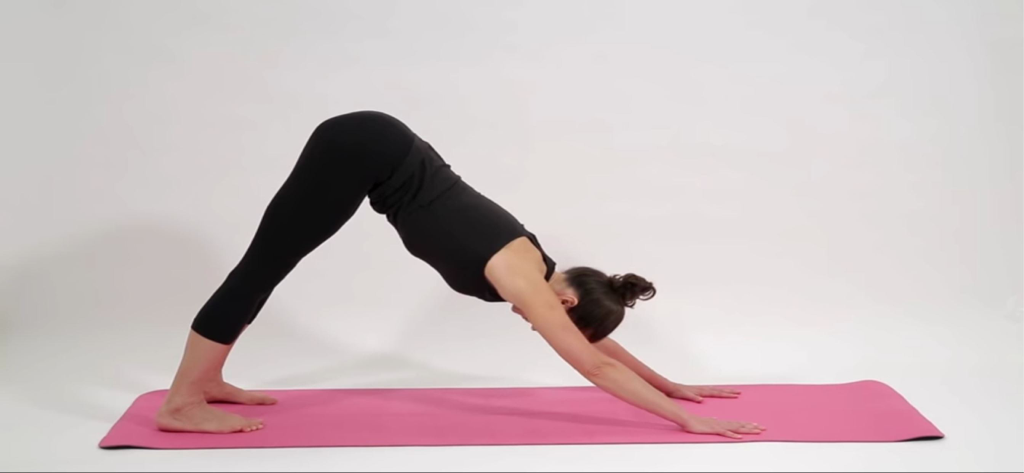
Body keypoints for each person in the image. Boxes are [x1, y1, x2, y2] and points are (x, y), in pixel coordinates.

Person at [155, 111, 765, 439]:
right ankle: (183, 401)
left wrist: (673, 384)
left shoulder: (544, 269)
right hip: (366, 148)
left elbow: (593, 342)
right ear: (569, 302)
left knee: (268, 266)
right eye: (553, 321)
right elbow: (593, 362)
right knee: (264, 266)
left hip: (377, 147)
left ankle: (205, 381)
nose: (539, 326)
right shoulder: (525, 279)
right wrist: (686, 420)